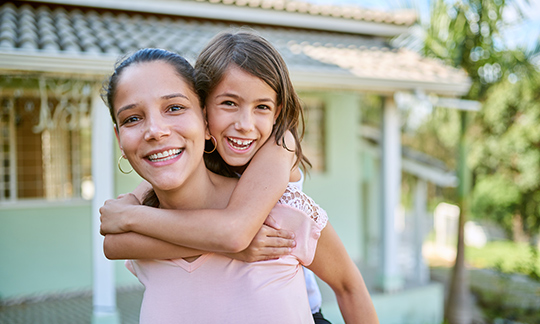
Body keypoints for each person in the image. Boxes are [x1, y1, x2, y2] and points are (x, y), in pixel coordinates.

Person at [101, 32, 379, 324]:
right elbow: (114, 244)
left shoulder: (278, 146)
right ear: (205, 113)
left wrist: (130, 217)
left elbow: (234, 234)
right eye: (229, 104)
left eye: (261, 107)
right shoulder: (179, 166)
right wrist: (130, 211)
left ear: (277, 113)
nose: (244, 125)